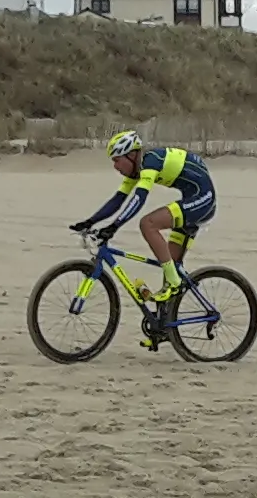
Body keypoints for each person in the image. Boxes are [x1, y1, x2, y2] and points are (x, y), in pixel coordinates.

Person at [73, 130, 217, 348]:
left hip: (202, 199)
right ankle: (164, 328)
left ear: (132, 156)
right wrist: (90, 222)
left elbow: (139, 200)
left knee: (148, 224)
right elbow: (118, 200)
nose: (115, 167)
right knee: (170, 265)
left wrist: (113, 227)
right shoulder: (136, 171)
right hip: (191, 197)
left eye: (117, 160)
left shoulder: (150, 162)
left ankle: (175, 284)